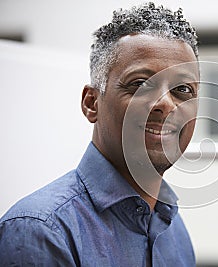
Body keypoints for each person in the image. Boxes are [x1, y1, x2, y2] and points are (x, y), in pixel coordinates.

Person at [0, 2, 199, 266]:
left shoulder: (172, 228)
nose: (166, 103)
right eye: (140, 84)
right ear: (92, 103)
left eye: (183, 89)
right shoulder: (40, 231)